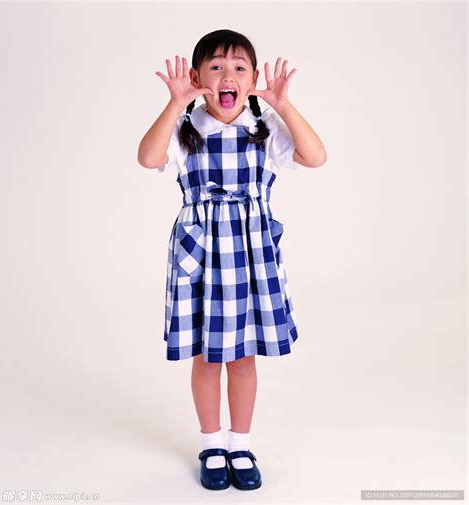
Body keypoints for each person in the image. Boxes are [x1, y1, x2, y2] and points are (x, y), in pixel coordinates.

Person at [138, 29, 327, 492]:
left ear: (253, 78)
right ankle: (211, 444)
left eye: (239, 68)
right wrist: (175, 104)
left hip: (249, 257)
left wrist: (283, 105)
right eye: (216, 67)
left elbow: (316, 156)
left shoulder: (264, 130)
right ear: (197, 78)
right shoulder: (186, 130)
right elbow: (147, 157)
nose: (228, 76)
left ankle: (240, 444)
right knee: (207, 356)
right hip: (200, 256)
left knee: (242, 357)